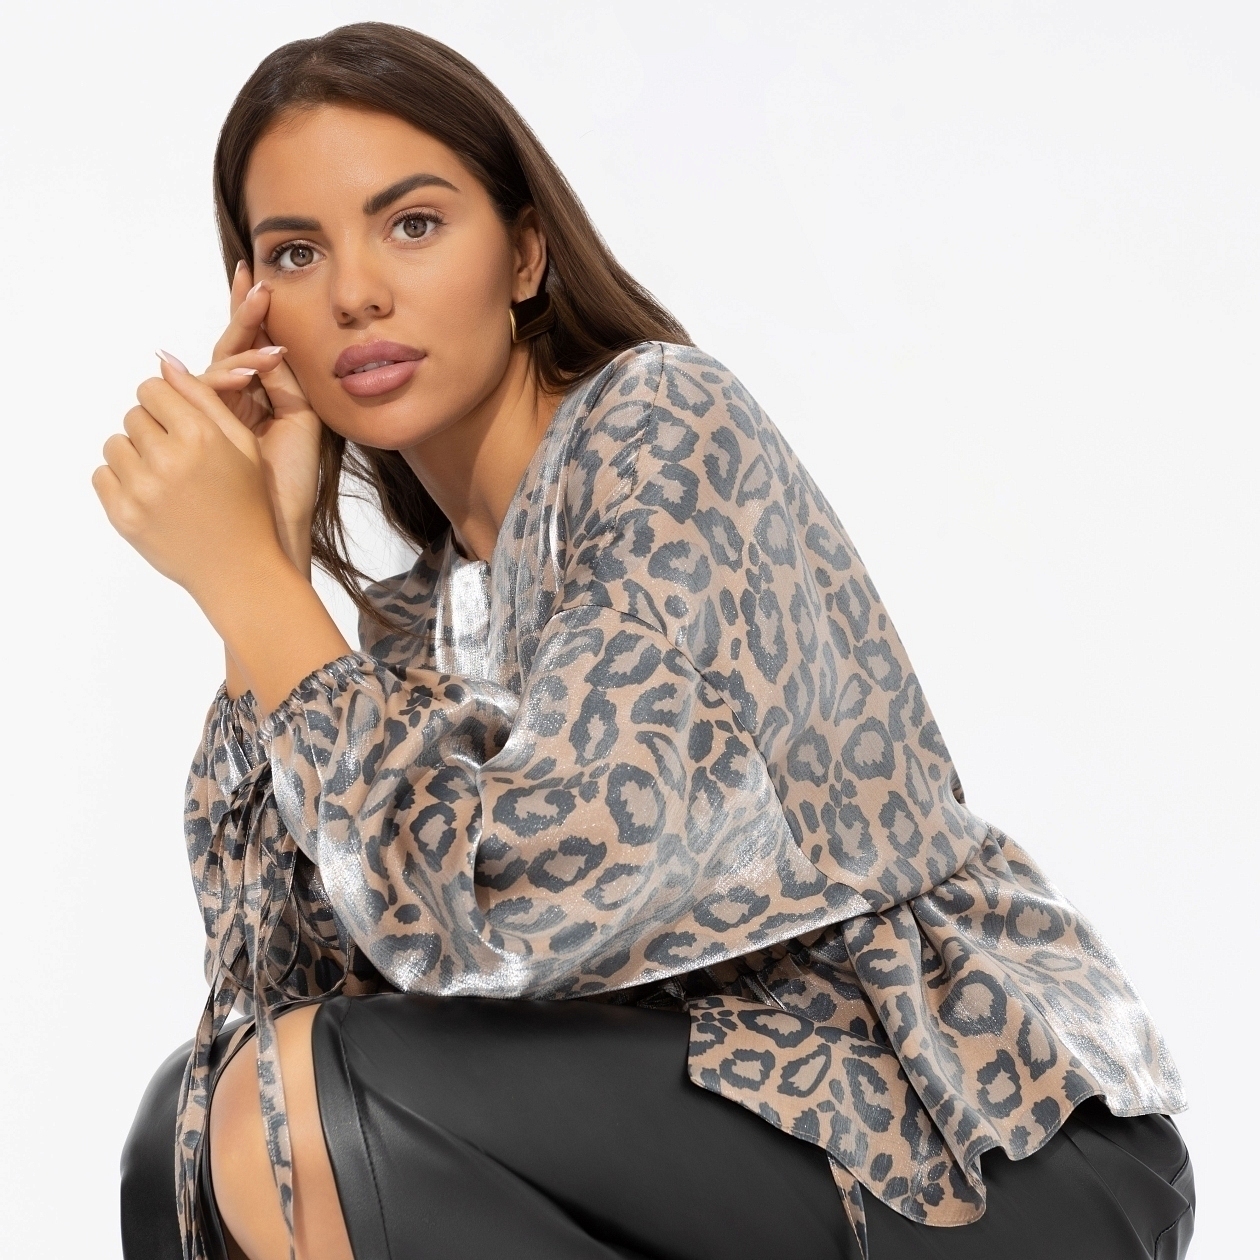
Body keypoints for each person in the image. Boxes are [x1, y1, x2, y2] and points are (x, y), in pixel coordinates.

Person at [103, 22, 1194, 1260]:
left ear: (524, 253)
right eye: (296, 253)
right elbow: (276, 975)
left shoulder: (662, 426)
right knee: (188, 1132)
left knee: (298, 1110)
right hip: (717, 1131)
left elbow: (521, 901)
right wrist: (270, 558)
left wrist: (249, 581)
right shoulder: (419, 621)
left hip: (965, 1134)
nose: (355, 291)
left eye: (412, 224)